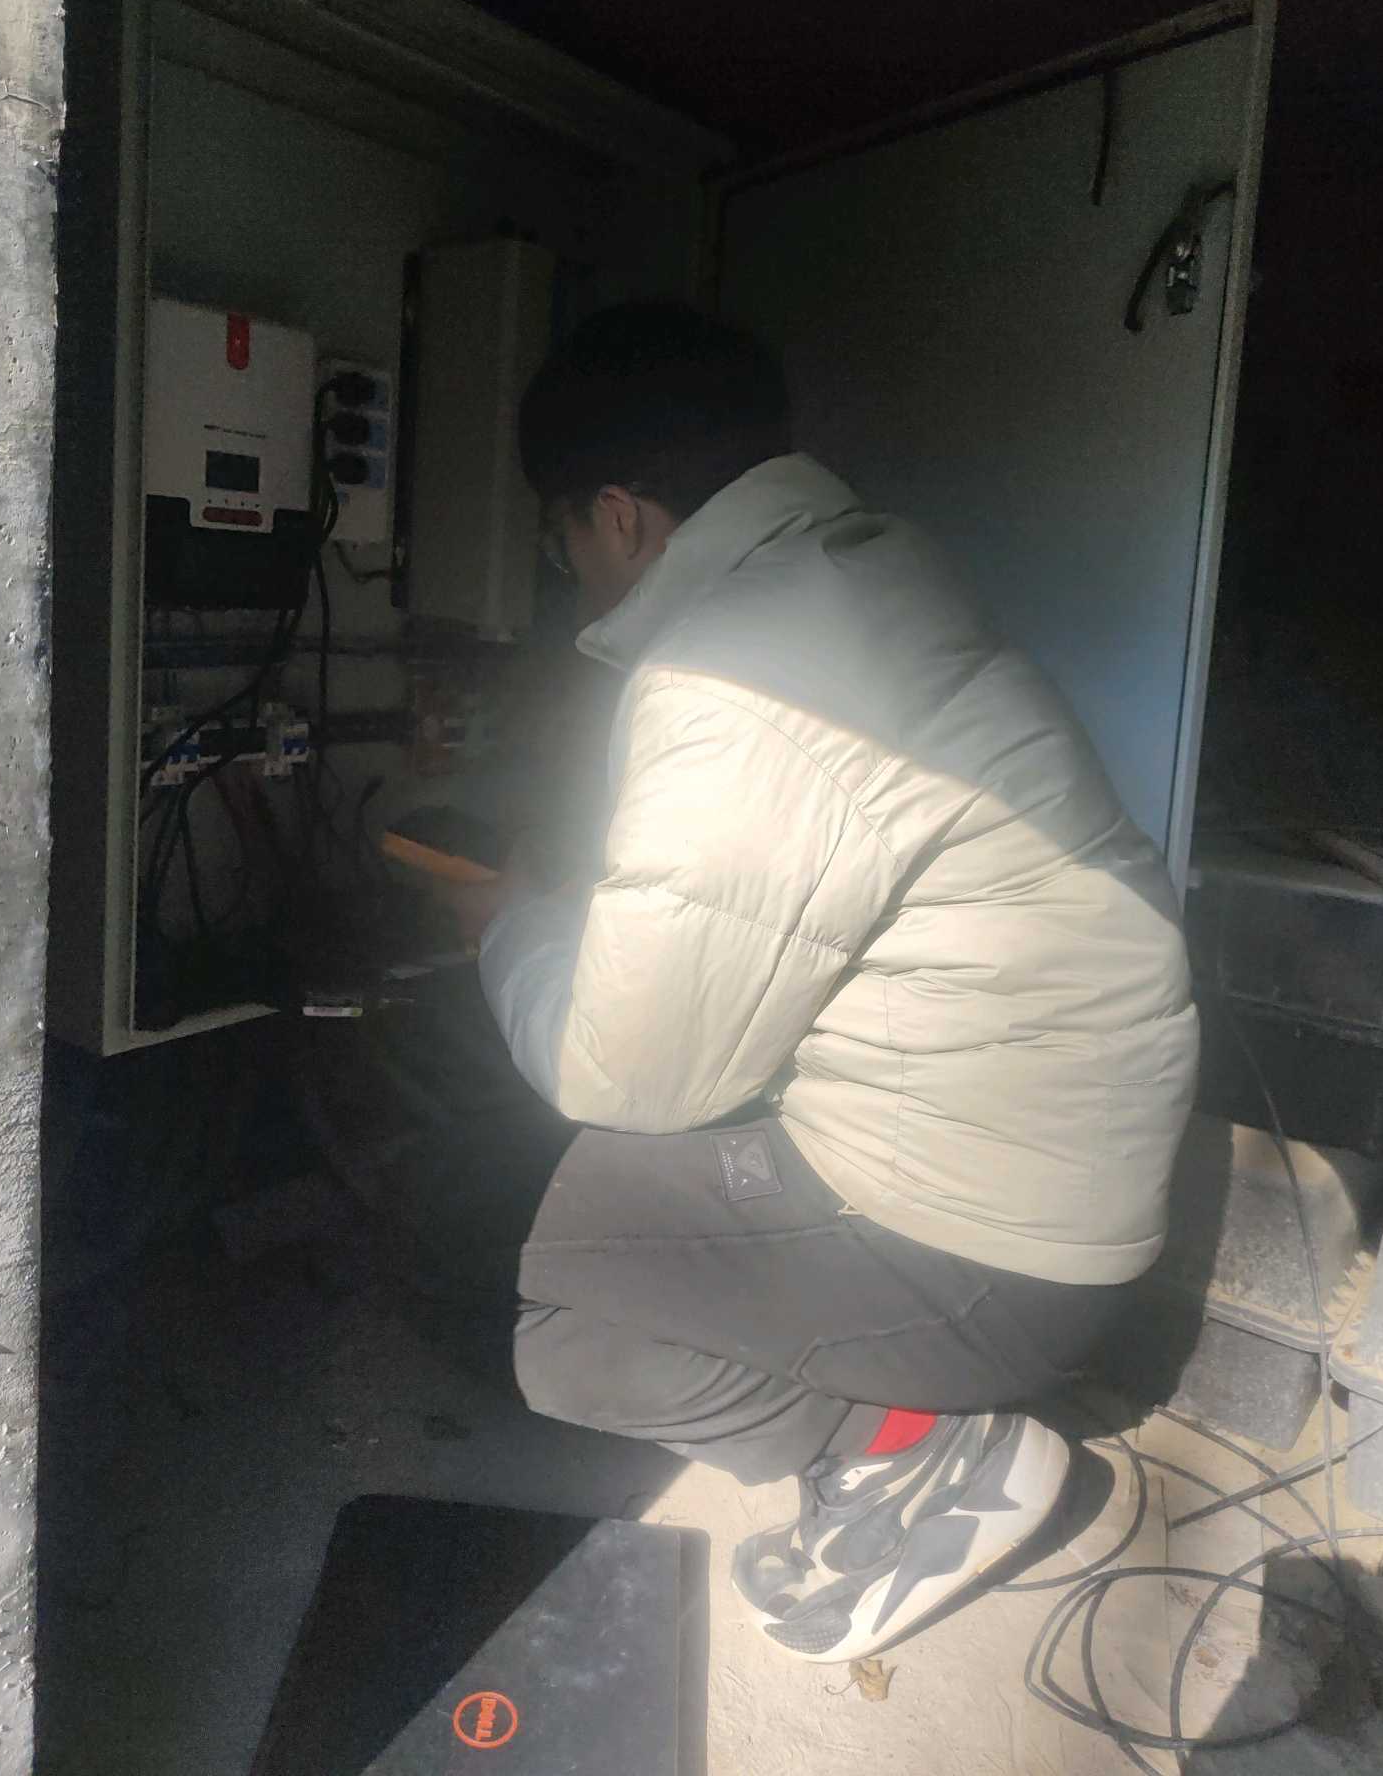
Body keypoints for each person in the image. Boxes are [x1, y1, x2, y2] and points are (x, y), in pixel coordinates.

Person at [444, 298, 1198, 1664]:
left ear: (616, 517)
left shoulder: (733, 675)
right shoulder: (875, 573)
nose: (570, 573)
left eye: (562, 542)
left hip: (988, 1259)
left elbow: (622, 1071)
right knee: (593, 1190)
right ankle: (909, 1407)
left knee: (556, 1318)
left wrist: (507, 923)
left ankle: (913, 1456)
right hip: (1054, 1186)